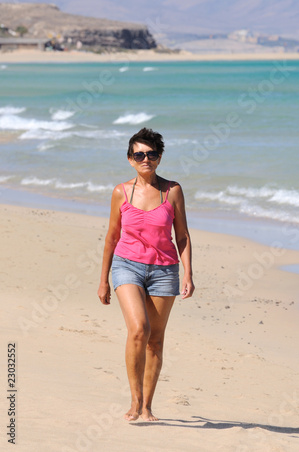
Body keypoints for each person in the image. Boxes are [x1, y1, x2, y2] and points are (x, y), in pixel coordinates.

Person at [98, 127, 195, 422]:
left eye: (151, 154)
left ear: (160, 157)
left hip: (164, 271)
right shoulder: (121, 192)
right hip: (127, 266)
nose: (146, 159)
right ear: (130, 159)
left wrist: (188, 274)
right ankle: (134, 400)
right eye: (139, 154)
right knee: (139, 328)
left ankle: (148, 406)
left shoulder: (172, 190)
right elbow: (112, 237)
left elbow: (183, 236)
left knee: (156, 339)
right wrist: (103, 280)